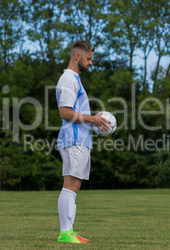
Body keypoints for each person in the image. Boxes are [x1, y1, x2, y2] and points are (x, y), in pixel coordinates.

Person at [55, 40, 111, 244]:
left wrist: (92, 120)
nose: (91, 63)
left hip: (79, 139)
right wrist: (93, 119)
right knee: (71, 185)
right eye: (89, 59)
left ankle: (69, 231)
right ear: (77, 56)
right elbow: (65, 112)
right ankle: (65, 233)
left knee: (74, 185)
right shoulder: (68, 79)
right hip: (74, 139)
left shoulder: (74, 79)